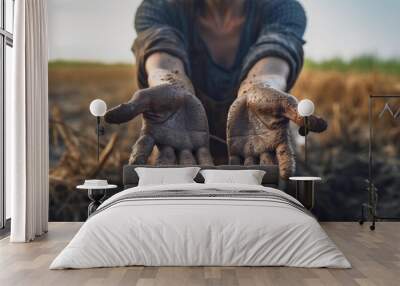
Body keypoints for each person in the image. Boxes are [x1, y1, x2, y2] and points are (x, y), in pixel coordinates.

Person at [105, 0, 327, 179]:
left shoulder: (283, 8)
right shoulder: (158, 8)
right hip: (179, 137)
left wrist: (260, 88)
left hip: (261, 135)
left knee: (281, 184)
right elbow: (161, 53)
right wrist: (167, 85)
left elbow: (275, 53)